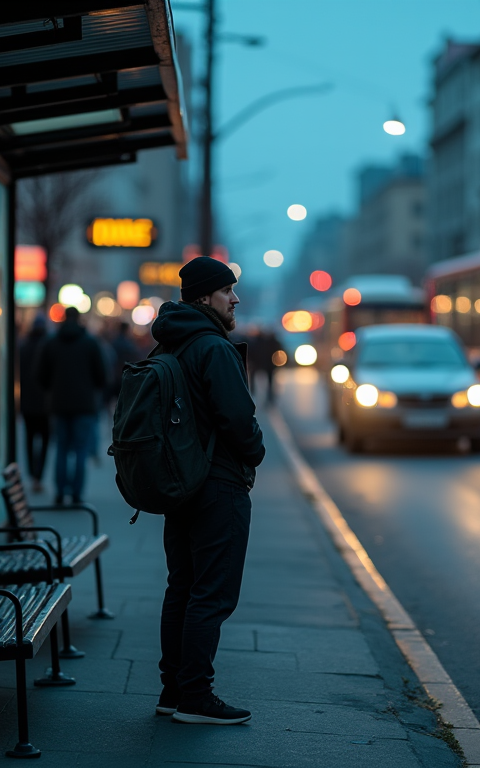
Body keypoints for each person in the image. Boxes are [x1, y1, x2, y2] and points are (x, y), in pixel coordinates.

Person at [148, 256, 265, 725]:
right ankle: (196, 695)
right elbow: (238, 419)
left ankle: (173, 690)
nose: (235, 298)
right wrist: (254, 452)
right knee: (211, 593)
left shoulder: (168, 345)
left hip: (181, 483)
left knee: (182, 587)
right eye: (227, 291)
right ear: (204, 297)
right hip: (218, 484)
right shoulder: (213, 348)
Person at [37, 305, 104, 505]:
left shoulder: (51, 343)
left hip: (58, 404)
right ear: (80, 319)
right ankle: (76, 493)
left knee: (62, 449)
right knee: (81, 450)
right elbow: (101, 376)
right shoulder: (90, 343)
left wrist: (53, 389)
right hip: (84, 405)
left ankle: (59, 492)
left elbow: (40, 374)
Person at [18, 315, 50, 492]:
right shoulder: (48, 347)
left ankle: (32, 474)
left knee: (29, 439)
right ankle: (39, 475)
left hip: (27, 403)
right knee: (45, 440)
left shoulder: (23, 347)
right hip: (46, 404)